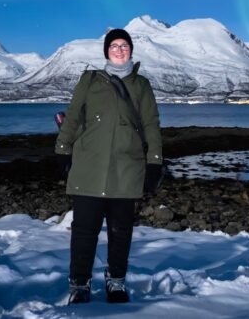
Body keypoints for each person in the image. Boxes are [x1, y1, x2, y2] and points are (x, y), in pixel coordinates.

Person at [55, 28, 163, 304]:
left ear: (130, 50)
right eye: (114, 45)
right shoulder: (89, 80)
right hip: (89, 165)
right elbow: (73, 118)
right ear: (106, 50)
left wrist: (154, 163)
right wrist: (63, 150)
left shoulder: (141, 85)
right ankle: (79, 284)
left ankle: (116, 282)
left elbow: (151, 125)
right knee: (83, 231)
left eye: (124, 45)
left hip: (127, 168)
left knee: (121, 231)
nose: (119, 49)